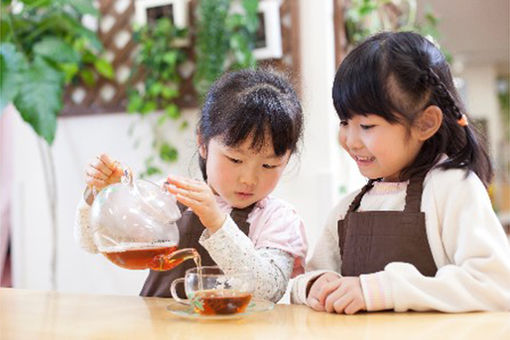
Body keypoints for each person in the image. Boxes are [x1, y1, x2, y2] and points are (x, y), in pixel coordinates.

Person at [291, 31, 510, 313]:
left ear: (425, 123)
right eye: (345, 122)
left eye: (367, 126)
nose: (350, 140)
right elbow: (306, 279)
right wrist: (315, 285)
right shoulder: (350, 208)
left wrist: (383, 290)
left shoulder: (452, 187)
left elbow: (496, 285)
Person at [75, 68, 307, 303]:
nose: (249, 179)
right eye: (235, 160)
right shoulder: (168, 197)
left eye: (268, 165)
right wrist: (105, 195)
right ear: (202, 143)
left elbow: (269, 291)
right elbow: (92, 242)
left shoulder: (277, 219)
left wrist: (217, 222)